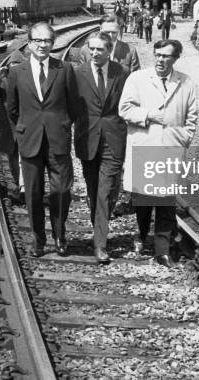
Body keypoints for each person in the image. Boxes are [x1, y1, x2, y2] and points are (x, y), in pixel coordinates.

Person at [119, 39, 197, 268]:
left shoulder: (186, 82)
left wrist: (183, 139)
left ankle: (161, 250)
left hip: (171, 148)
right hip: (145, 145)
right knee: (143, 201)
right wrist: (149, 115)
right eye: (158, 55)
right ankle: (142, 234)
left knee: (165, 202)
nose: (161, 60)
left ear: (175, 58)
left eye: (167, 56)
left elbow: (192, 118)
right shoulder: (137, 79)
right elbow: (124, 109)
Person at [6, 22, 78, 257]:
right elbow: (12, 108)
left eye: (47, 40)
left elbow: (73, 104)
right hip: (31, 140)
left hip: (58, 139)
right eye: (38, 40)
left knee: (61, 192)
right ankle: (39, 239)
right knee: (33, 193)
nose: (42, 45)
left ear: (53, 43)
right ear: (29, 43)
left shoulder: (64, 69)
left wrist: (64, 125)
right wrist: (25, 128)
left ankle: (60, 235)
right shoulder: (17, 72)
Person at [74, 32, 129, 263]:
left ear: (109, 51)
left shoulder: (122, 73)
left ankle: (100, 244)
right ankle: (98, 226)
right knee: (93, 189)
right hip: (88, 139)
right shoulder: (78, 74)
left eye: (100, 50)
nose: (95, 53)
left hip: (113, 140)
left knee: (105, 192)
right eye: (92, 49)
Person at [0, 47, 26, 199]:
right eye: (12, 66)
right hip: (8, 125)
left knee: (23, 156)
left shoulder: (29, 79)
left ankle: (24, 187)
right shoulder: (4, 80)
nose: (14, 69)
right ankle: (18, 183)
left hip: (25, 124)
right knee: (12, 156)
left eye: (18, 66)